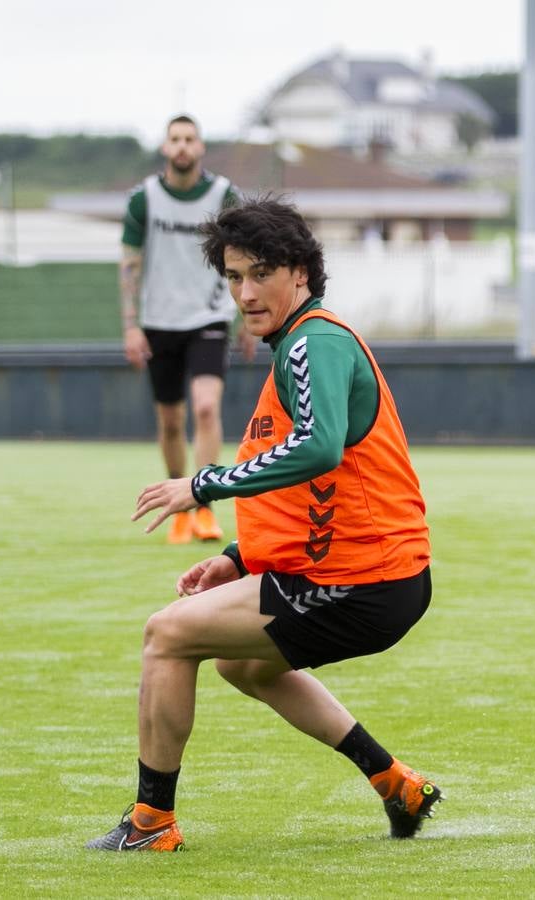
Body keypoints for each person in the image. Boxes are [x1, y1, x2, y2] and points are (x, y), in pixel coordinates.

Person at [88, 198, 441, 851]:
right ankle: (396, 783)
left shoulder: (313, 343)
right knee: (238, 665)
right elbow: (308, 489)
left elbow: (317, 447)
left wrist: (202, 484)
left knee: (166, 635)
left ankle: (151, 824)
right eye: (232, 276)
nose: (245, 293)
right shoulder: (299, 343)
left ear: (301, 272)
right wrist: (239, 556)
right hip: (358, 574)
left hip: (364, 579)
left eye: (260, 274)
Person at [120, 114, 255, 545]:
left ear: (200, 147)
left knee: (205, 408)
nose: (181, 146)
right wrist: (130, 326)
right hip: (159, 321)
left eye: (189, 139)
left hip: (209, 317)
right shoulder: (144, 200)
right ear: (165, 147)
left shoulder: (222, 194)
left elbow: (246, 256)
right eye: (174, 139)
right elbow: (129, 264)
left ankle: (204, 504)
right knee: (171, 420)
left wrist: (249, 319)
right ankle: (178, 499)